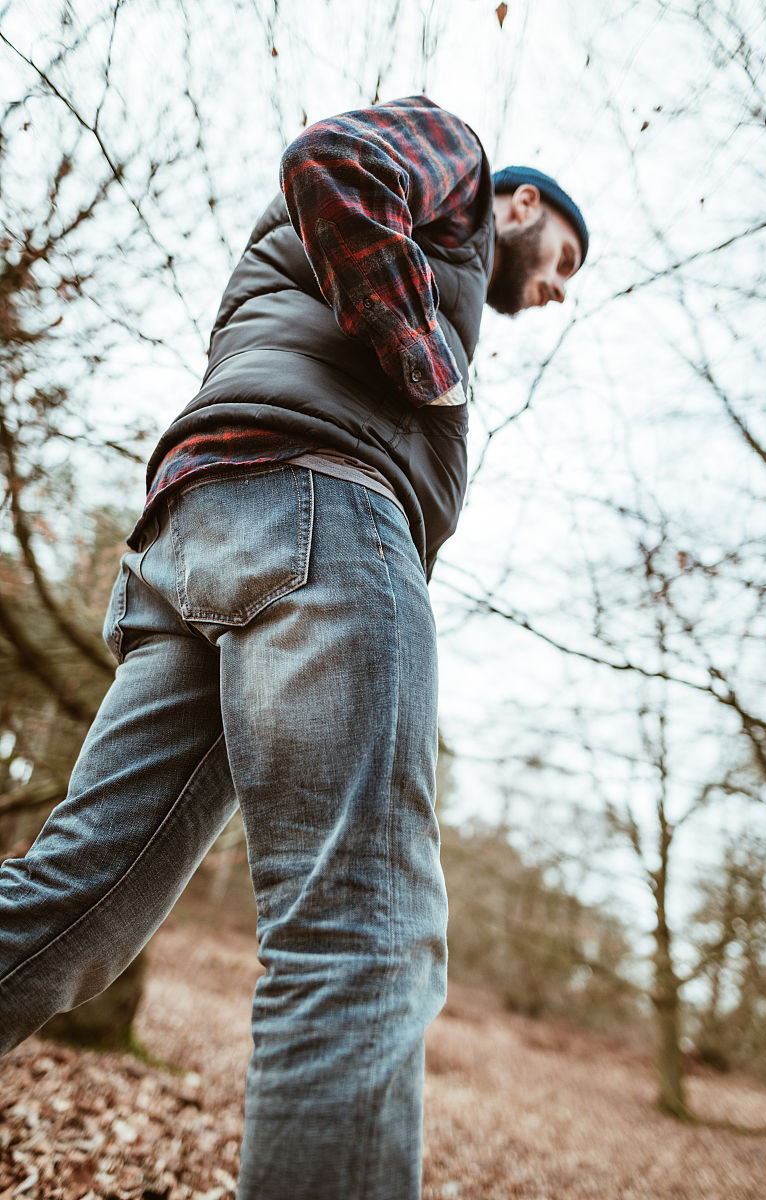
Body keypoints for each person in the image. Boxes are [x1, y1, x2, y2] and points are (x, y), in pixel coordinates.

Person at [0, 95, 588, 1199]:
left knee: (75, 901)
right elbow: (331, 159)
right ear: (522, 204)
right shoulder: (454, 162)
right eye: (562, 259)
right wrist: (433, 367)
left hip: (202, 535)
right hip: (318, 520)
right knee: (359, 933)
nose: (557, 291)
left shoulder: (385, 259)